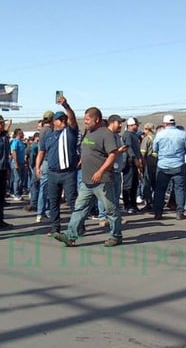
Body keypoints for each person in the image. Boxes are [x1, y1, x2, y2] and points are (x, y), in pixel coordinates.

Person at [53, 107, 122, 247]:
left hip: (101, 181)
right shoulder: (89, 133)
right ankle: (70, 236)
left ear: (96, 119)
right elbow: (89, 151)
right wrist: (82, 161)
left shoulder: (106, 134)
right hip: (86, 180)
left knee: (110, 209)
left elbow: (112, 155)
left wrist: (100, 171)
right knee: (80, 208)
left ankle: (116, 236)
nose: (85, 122)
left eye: (87, 120)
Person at [36, 100, 79, 237]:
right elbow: (41, 152)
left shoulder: (70, 132)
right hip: (53, 173)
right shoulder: (48, 137)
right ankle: (55, 228)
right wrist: (37, 167)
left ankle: (78, 227)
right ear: (54, 122)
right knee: (53, 201)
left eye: (64, 119)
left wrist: (66, 106)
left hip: (68, 173)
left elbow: (72, 118)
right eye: (60, 119)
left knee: (72, 200)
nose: (63, 121)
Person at [151, 114, 186, 220]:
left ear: (164, 123)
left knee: (160, 190)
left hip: (163, 165)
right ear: (174, 123)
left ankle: (158, 212)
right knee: (179, 189)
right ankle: (180, 212)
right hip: (178, 165)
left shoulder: (160, 135)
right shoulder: (183, 134)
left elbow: (155, 148)